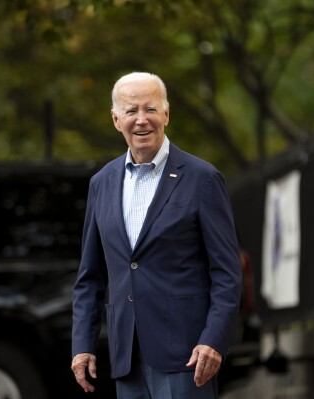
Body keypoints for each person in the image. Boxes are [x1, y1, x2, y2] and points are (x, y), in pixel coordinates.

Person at [71, 71, 242, 399]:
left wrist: (214, 340)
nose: (141, 120)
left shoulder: (202, 179)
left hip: (188, 356)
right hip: (127, 358)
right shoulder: (101, 184)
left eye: (150, 109)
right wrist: (82, 346)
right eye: (131, 111)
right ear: (115, 119)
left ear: (166, 113)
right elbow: (89, 278)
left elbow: (227, 273)